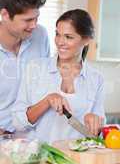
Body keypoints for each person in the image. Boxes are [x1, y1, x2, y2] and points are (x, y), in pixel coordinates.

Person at [12, 9, 105, 143]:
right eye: (57, 34)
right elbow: (18, 122)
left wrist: (95, 123)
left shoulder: (96, 79)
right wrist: (47, 101)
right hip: (39, 157)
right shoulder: (35, 68)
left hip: (75, 159)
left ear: (86, 40)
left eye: (68, 37)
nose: (60, 42)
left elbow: (97, 137)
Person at [0, 0, 50, 133]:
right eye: (28, 20)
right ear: (5, 15)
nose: (34, 25)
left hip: (33, 136)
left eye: (36, 18)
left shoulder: (40, 35)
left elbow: (47, 81)